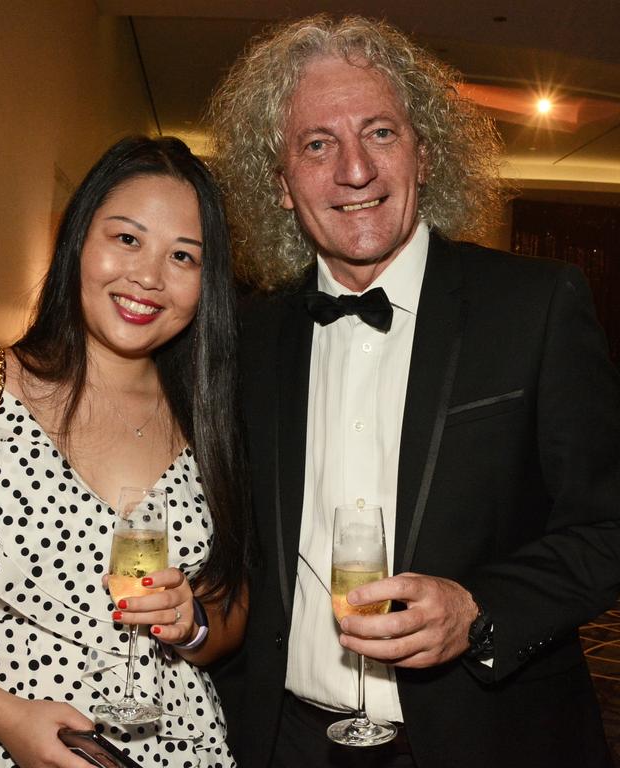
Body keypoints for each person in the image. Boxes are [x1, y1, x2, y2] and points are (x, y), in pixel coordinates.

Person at [207, 14, 620, 768]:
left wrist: (478, 610)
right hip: (286, 742)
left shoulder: (536, 306)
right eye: (317, 144)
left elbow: (606, 527)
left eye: (381, 133)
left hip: (491, 742)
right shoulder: (252, 339)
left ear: (425, 154)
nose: (355, 170)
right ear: (280, 182)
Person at [0, 135, 250, 768]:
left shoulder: (215, 424)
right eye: (126, 239)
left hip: (175, 750)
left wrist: (192, 622)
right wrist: (8, 720)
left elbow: (230, 607)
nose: (148, 276)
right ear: (77, 242)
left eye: (183, 256)